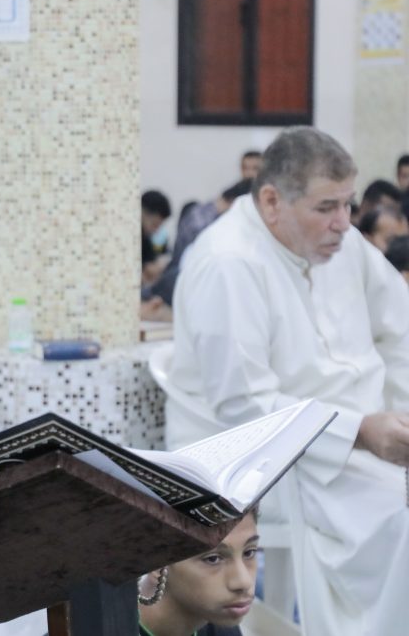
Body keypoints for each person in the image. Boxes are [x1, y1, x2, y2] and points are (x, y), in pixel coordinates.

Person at [165, 127, 409, 636]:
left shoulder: (346, 245)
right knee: (399, 522)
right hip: (267, 460)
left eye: (348, 203)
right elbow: (245, 406)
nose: (344, 222)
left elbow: (400, 332)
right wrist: (361, 431)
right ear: (272, 201)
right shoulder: (228, 262)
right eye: (326, 207)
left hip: (359, 443)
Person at [137, 513, 257, 636]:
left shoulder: (220, 627)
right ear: (156, 564)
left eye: (249, 552)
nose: (244, 582)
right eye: (213, 559)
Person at [148, 179, 252, 307]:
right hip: (179, 282)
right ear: (235, 202)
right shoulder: (207, 223)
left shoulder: (203, 212)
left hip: (177, 279)